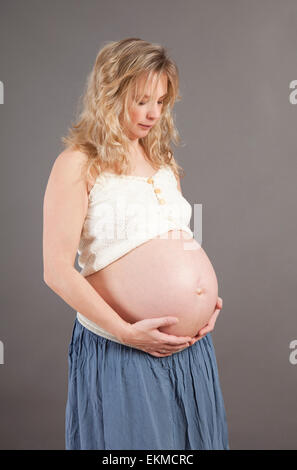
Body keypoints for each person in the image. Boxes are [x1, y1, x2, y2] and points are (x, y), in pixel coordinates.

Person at [43, 37, 230, 450]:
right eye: (142, 100)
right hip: (123, 345)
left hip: (189, 348)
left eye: (162, 101)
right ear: (110, 92)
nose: (153, 113)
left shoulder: (162, 162)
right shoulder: (77, 163)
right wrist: (127, 333)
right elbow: (56, 271)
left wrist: (203, 300)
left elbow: (179, 239)